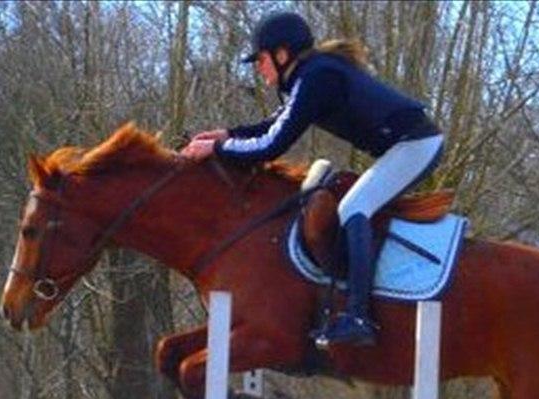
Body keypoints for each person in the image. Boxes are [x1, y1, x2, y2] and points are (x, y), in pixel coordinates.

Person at [181, 11, 444, 347]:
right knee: (353, 204)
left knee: (353, 208)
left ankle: (359, 316)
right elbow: (273, 126)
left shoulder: (316, 78)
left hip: (417, 145)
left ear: (281, 54)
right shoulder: (311, 75)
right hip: (408, 144)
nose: (258, 68)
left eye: (260, 59)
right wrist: (227, 135)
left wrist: (219, 149)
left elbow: (272, 145)